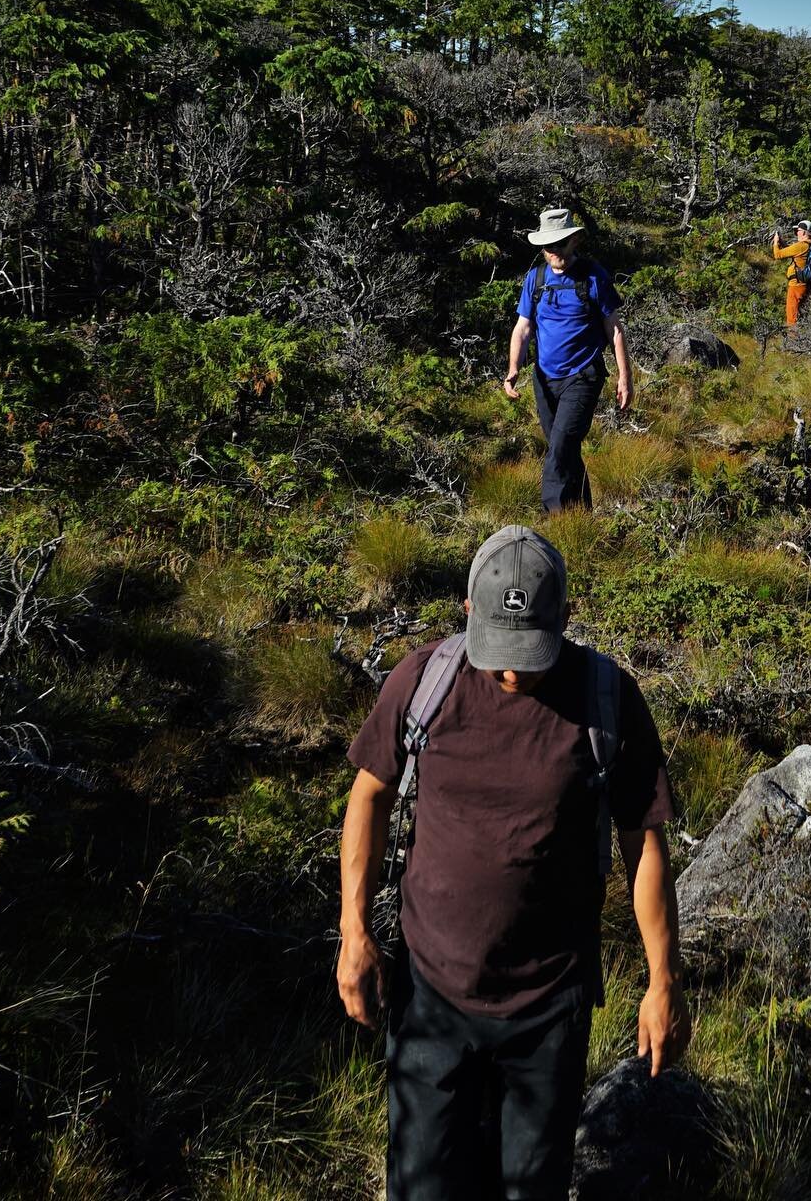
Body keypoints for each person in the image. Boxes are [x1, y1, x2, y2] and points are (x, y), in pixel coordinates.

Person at [337, 524, 689, 1201]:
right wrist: (355, 933)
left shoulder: (607, 701)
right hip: (432, 996)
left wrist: (663, 980)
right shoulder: (425, 683)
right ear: (469, 613)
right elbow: (369, 795)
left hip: (548, 1005)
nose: (511, 673)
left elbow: (643, 841)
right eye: (498, 652)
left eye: (530, 655)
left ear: (564, 620)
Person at [502, 206, 633, 514]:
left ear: (574, 241)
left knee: (559, 450)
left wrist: (625, 378)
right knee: (564, 450)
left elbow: (614, 329)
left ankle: (554, 523)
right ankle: (580, 516)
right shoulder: (535, 279)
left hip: (582, 377)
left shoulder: (593, 277)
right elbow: (522, 328)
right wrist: (513, 370)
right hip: (545, 379)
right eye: (548, 246)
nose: (554, 252)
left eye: (560, 244)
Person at [772, 217, 811, 329]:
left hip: (796, 286)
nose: (796, 233)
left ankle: (793, 343)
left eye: (797, 231)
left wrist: (775, 242)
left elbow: (778, 255)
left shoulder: (800, 246)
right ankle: (806, 340)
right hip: (809, 285)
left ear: (803, 232)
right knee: (804, 315)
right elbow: (793, 252)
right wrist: (783, 243)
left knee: (792, 318)